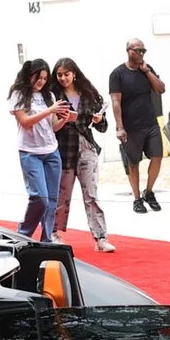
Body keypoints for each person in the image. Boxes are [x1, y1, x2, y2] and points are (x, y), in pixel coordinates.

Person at [51, 57, 116, 253]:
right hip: (64, 148)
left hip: (86, 146)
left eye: (66, 74)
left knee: (91, 193)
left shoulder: (88, 94)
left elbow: (103, 126)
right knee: (62, 193)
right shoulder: (54, 95)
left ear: (74, 74)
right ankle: (53, 232)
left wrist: (98, 119)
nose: (63, 78)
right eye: (60, 75)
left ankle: (101, 237)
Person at [9, 57, 71, 242]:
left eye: (44, 78)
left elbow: (52, 126)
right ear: (29, 75)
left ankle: (47, 240)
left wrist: (64, 119)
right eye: (38, 77)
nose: (41, 82)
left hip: (51, 150)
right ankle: (23, 234)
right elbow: (25, 122)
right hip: (30, 152)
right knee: (40, 197)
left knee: (52, 200)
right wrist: (50, 110)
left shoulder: (48, 96)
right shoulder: (19, 94)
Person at [106, 38, 166, 214]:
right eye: (138, 51)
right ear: (128, 50)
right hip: (131, 127)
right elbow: (116, 102)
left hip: (151, 123)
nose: (141, 54)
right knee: (133, 163)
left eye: (143, 51)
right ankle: (136, 198)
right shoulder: (117, 74)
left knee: (157, 157)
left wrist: (147, 72)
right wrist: (119, 127)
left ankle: (149, 192)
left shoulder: (146, 70)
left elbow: (161, 89)